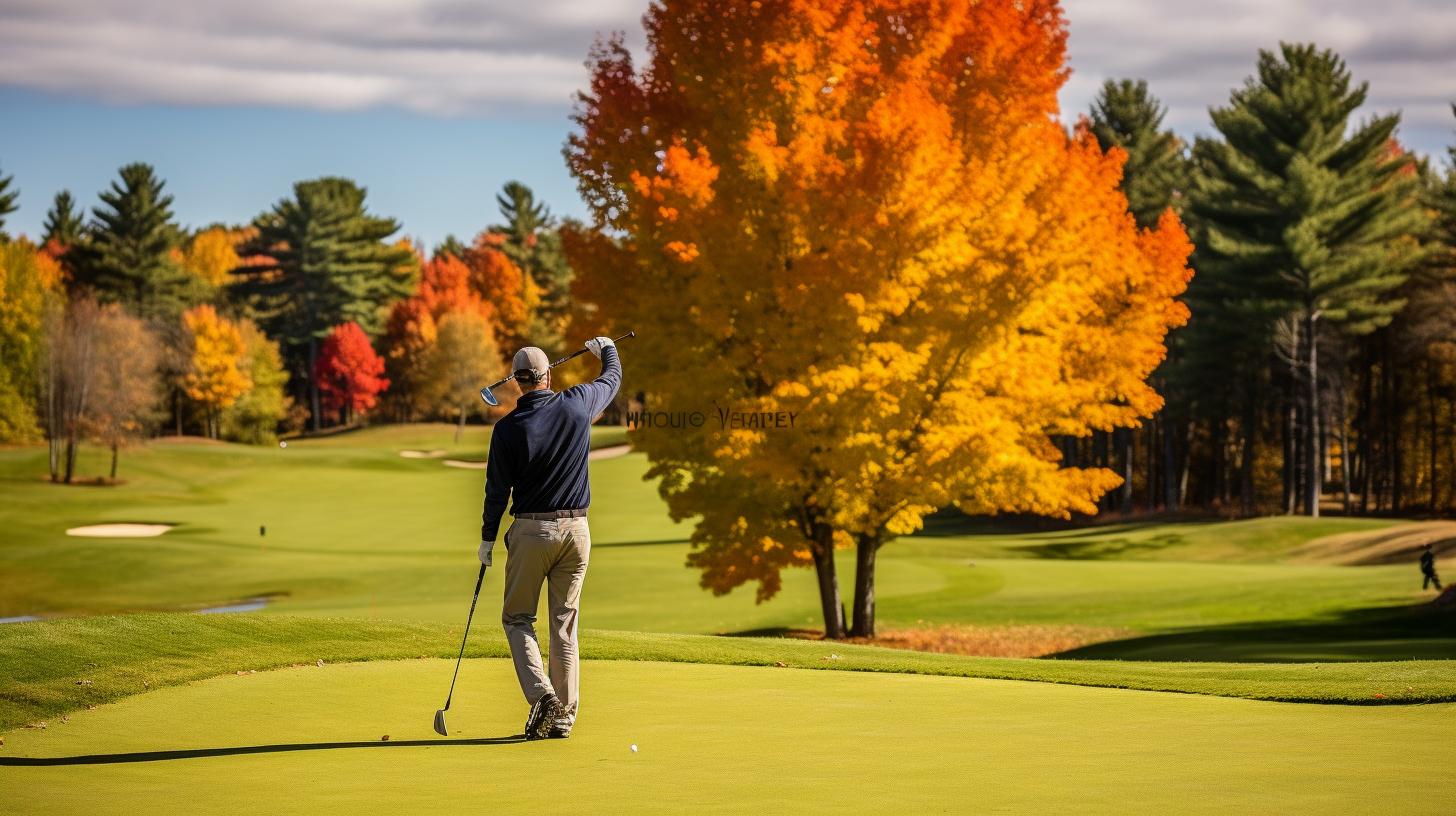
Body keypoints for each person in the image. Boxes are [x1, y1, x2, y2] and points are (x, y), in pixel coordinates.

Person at [479, 337, 621, 740]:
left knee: (518, 618)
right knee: (564, 624)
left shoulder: (506, 429)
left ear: (518, 383)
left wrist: (488, 539)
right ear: (548, 376)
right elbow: (612, 379)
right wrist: (607, 349)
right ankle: (563, 717)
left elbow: (496, 492)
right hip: (577, 532)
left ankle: (543, 697)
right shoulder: (578, 403)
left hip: (531, 532)